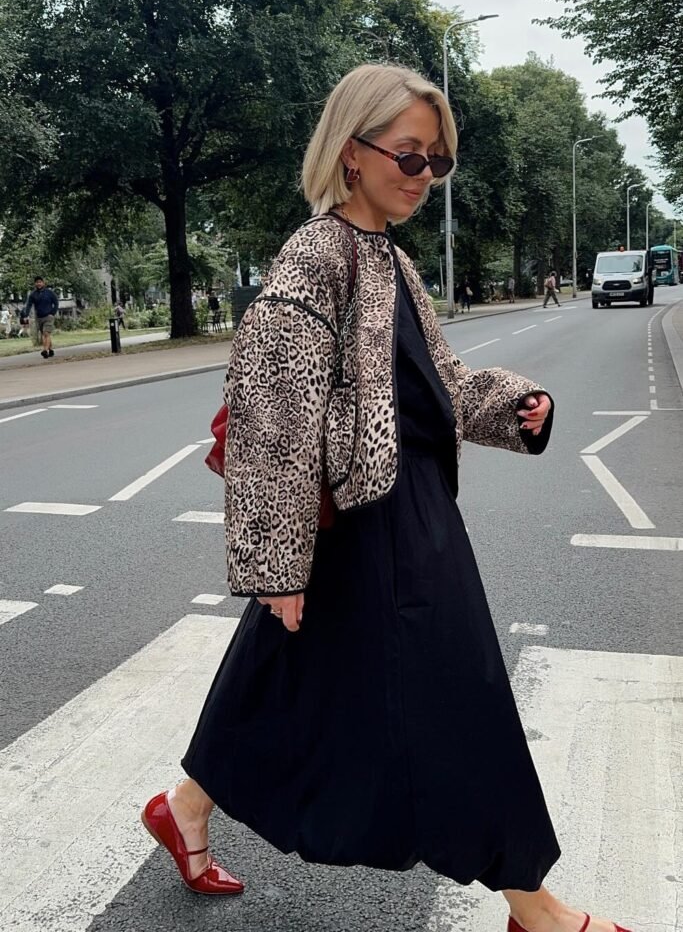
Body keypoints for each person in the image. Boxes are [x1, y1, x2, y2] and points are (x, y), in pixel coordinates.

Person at [141, 64, 630, 932]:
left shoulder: (391, 261)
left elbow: (434, 386)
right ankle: (535, 907)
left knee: (281, 675)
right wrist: (277, 563)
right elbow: (271, 413)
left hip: (402, 511)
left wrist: (512, 407)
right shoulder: (315, 255)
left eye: (435, 162)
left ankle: (183, 808)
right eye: (408, 155)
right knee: (462, 691)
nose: (422, 176)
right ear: (351, 151)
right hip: (367, 523)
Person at [21, 276, 59, 358]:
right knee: (45, 334)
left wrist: (52, 313)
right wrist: (26, 315)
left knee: (46, 333)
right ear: (35, 284)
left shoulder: (49, 293)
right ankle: (51, 349)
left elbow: (56, 303)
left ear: (43, 283)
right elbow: (29, 305)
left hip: (49, 316)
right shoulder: (33, 294)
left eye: (40, 282)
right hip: (39, 317)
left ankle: (45, 350)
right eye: (37, 282)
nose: (39, 284)